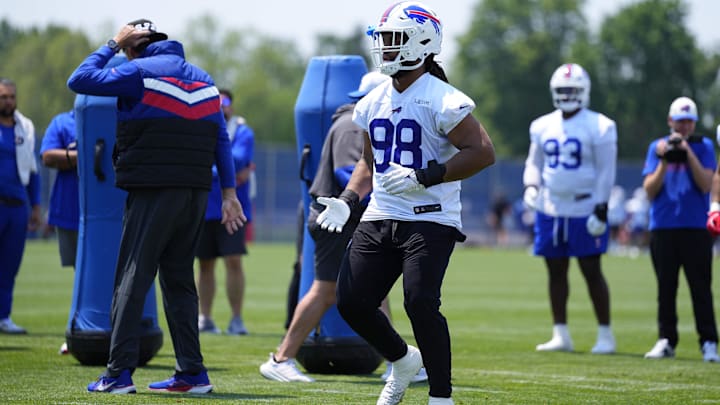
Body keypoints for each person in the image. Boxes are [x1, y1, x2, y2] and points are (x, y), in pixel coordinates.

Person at [313, 3, 496, 403]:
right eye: (383, 40)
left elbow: (482, 152)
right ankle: (403, 359)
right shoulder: (372, 100)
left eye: (394, 39)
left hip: (430, 217)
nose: (386, 48)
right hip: (381, 212)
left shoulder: (443, 98)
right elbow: (368, 161)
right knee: (351, 301)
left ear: (422, 43)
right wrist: (347, 199)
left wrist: (424, 175)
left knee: (420, 301)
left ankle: (441, 397)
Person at [67, 19, 246, 394]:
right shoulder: (204, 79)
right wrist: (229, 194)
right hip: (197, 193)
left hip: (153, 190)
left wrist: (111, 43)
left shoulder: (135, 72)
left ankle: (117, 375)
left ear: (134, 46)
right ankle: (193, 374)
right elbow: (222, 141)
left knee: (132, 277)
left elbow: (80, 79)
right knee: (180, 283)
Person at [260, 71, 427, 384]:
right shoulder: (353, 125)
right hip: (336, 219)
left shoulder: (353, 121)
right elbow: (348, 173)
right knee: (325, 291)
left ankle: (398, 360)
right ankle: (281, 358)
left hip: (347, 218)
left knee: (375, 289)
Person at [522, 63, 617, 356]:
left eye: (573, 90)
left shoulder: (601, 125)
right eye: (563, 90)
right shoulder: (541, 125)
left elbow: (605, 171)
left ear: (584, 92)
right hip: (551, 205)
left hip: (585, 205)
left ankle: (605, 334)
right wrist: (531, 186)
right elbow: (534, 162)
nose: (567, 95)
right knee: (555, 269)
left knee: (591, 269)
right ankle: (560, 333)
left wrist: (601, 207)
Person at [644, 96, 719, 361]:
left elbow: (705, 184)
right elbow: (650, 190)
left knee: (701, 287)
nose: (684, 127)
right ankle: (666, 339)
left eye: (689, 122)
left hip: (695, 226)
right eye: (680, 121)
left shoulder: (704, 147)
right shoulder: (657, 147)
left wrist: (687, 153)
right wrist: (664, 160)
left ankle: (709, 341)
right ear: (670, 121)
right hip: (664, 226)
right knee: (666, 287)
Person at [196, 88, 254, 335]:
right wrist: (223, 173)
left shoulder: (242, 131)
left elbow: (239, 160)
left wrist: (207, 171)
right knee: (204, 264)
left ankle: (236, 319)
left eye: (226, 102)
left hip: (233, 209)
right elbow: (198, 162)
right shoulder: (199, 129)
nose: (222, 107)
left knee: (234, 261)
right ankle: (205, 318)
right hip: (204, 209)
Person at [0, 78, 42, 335]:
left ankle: (4, 317)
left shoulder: (24, 127)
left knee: (9, 265)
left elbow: (33, 170)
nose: (8, 101)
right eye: (3, 97)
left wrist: (36, 206)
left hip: (17, 207)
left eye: (11, 97)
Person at [39, 109, 79, 354]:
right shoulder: (63, 122)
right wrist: (79, 156)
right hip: (70, 211)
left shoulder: (116, 115)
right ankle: (78, 332)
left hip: (109, 214)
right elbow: (47, 156)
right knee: (81, 275)